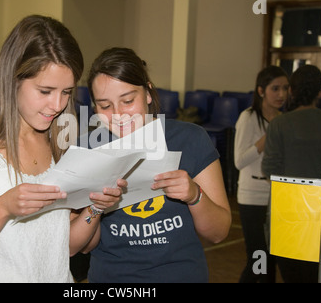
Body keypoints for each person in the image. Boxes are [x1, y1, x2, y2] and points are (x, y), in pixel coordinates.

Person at [0, 15, 125, 283]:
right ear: (13, 80)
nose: (57, 105)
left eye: (66, 92)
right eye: (45, 91)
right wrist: (2, 208)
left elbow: (65, 247)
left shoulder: (61, 141)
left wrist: (95, 208)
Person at [80, 47, 231, 283]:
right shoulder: (88, 150)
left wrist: (194, 195)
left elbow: (219, 233)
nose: (118, 115)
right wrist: (94, 209)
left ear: (148, 93)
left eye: (128, 100)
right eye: (105, 106)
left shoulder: (191, 139)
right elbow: (85, 247)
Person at [262, 64, 321, 283]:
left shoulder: (280, 124)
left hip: (288, 214)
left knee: (292, 275)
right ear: (320, 92)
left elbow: (270, 170)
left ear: (292, 90)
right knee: (318, 275)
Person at [234, 66, 288, 283]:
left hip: (276, 196)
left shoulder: (284, 120)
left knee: (271, 259)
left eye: (285, 88)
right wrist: (266, 139)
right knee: (258, 259)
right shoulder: (248, 118)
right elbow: (239, 161)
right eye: (275, 88)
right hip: (252, 196)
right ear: (261, 91)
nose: (281, 94)